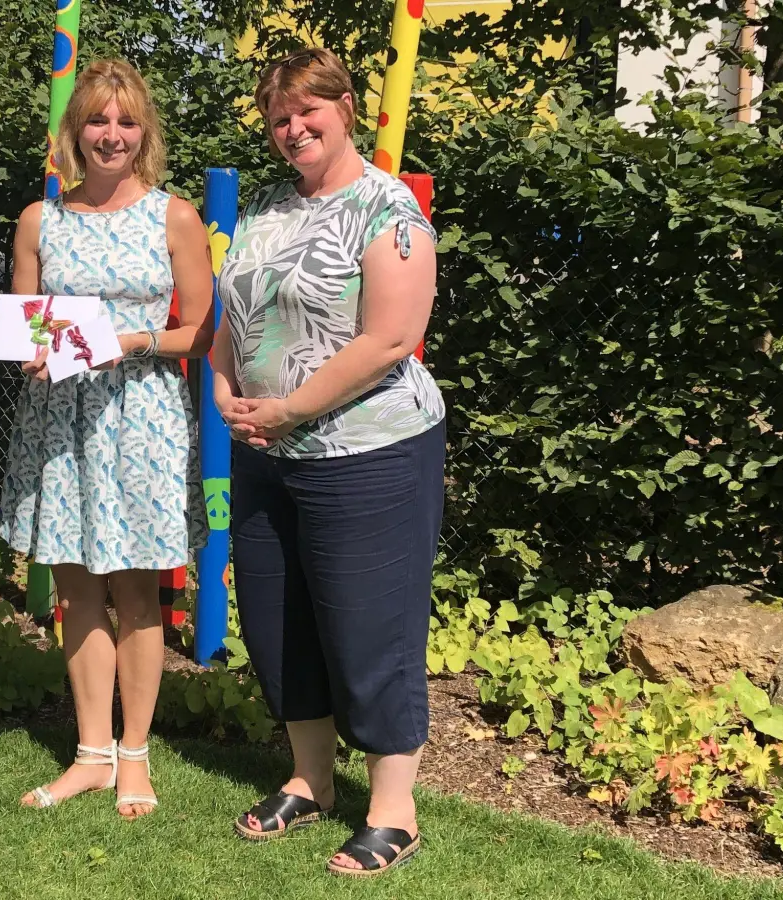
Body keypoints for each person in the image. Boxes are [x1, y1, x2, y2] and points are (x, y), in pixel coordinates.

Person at [211, 48, 445, 876]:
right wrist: (225, 389)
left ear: (346, 107)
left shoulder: (388, 212)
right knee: (277, 623)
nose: (292, 128)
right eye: (278, 117)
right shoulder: (269, 211)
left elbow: (389, 337)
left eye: (308, 110)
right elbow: (227, 316)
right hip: (265, 451)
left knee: (368, 626)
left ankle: (394, 808)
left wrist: (290, 408)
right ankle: (311, 780)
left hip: (368, 450)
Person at [0, 59, 213, 820]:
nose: (110, 135)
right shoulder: (39, 220)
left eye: (125, 122)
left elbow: (202, 329)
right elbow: (23, 321)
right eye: (97, 120)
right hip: (62, 419)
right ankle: (90, 752)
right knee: (77, 588)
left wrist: (130, 339)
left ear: (143, 133)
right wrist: (30, 350)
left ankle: (135, 755)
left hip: (142, 417)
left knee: (137, 590)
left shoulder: (173, 216)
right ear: (75, 132)